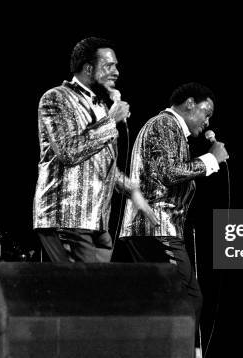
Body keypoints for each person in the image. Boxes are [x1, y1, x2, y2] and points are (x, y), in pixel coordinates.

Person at [33, 37, 157, 263]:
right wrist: (111, 122)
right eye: (109, 66)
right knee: (81, 293)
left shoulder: (99, 105)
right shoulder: (56, 98)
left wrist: (133, 190)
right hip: (67, 215)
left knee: (97, 294)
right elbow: (69, 152)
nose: (116, 72)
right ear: (88, 68)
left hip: (97, 219)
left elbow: (99, 164)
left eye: (116, 65)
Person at [116, 82, 229, 327]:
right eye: (206, 113)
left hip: (154, 228)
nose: (207, 122)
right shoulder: (165, 124)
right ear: (190, 104)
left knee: (160, 303)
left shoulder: (170, 128)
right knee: (187, 299)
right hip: (156, 228)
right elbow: (168, 172)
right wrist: (211, 159)